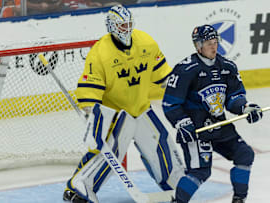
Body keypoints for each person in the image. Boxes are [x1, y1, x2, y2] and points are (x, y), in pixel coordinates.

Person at [63, 4, 184, 203]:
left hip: (141, 108)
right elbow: (90, 88)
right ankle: (79, 188)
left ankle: (177, 184)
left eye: (128, 24)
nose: (126, 29)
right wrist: (93, 113)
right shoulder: (100, 52)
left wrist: (181, 92)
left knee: (160, 143)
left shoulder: (145, 42)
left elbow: (162, 75)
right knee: (109, 152)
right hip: (115, 114)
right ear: (111, 26)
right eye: (121, 26)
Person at [162, 24, 263, 203]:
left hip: (219, 126)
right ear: (198, 46)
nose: (213, 46)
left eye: (215, 42)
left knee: (244, 154)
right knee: (200, 171)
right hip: (196, 130)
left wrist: (245, 108)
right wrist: (182, 123)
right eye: (208, 43)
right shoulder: (185, 70)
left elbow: (234, 97)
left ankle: (239, 199)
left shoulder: (227, 67)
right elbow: (170, 103)